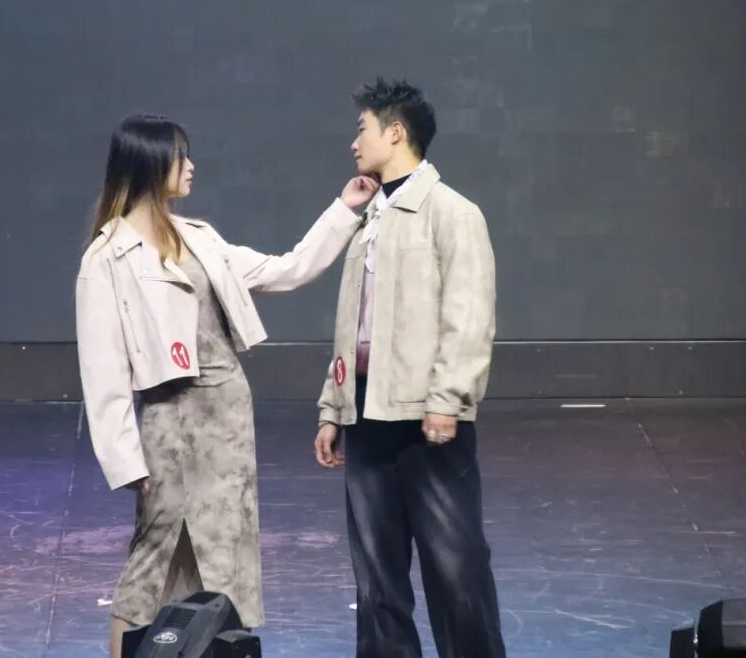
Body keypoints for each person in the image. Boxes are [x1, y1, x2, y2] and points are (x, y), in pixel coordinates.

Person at [76, 113, 375, 657]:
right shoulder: (108, 255)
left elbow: (287, 270)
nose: (191, 167)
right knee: (153, 561)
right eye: (181, 156)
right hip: (171, 423)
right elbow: (103, 371)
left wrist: (343, 209)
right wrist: (125, 460)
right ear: (150, 163)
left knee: (218, 564)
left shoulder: (199, 238)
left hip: (227, 421)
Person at [314, 79, 506, 657]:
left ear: (395, 133)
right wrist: (332, 407)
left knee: (455, 568)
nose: (355, 142)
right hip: (365, 410)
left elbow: (469, 317)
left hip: (427, 417)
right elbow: (352, 322)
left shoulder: (452, 213)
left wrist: (448, 399)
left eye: (363, 129)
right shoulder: (368, 218)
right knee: (376, 578)